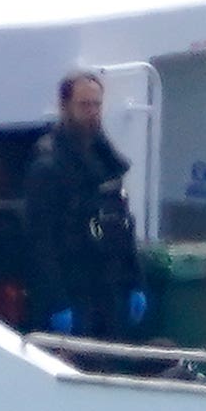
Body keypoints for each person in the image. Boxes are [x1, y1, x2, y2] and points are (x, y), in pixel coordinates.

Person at [25, 70, 144, 338]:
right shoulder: (48, 165)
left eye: (96, 104)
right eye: (84, 105)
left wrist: (136, 280)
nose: (92, 112)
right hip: (72, 289)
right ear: (65, 106)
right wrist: (56, 301)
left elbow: (123, 224)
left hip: (109, 287)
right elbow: (40, 241)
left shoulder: (105, 159)